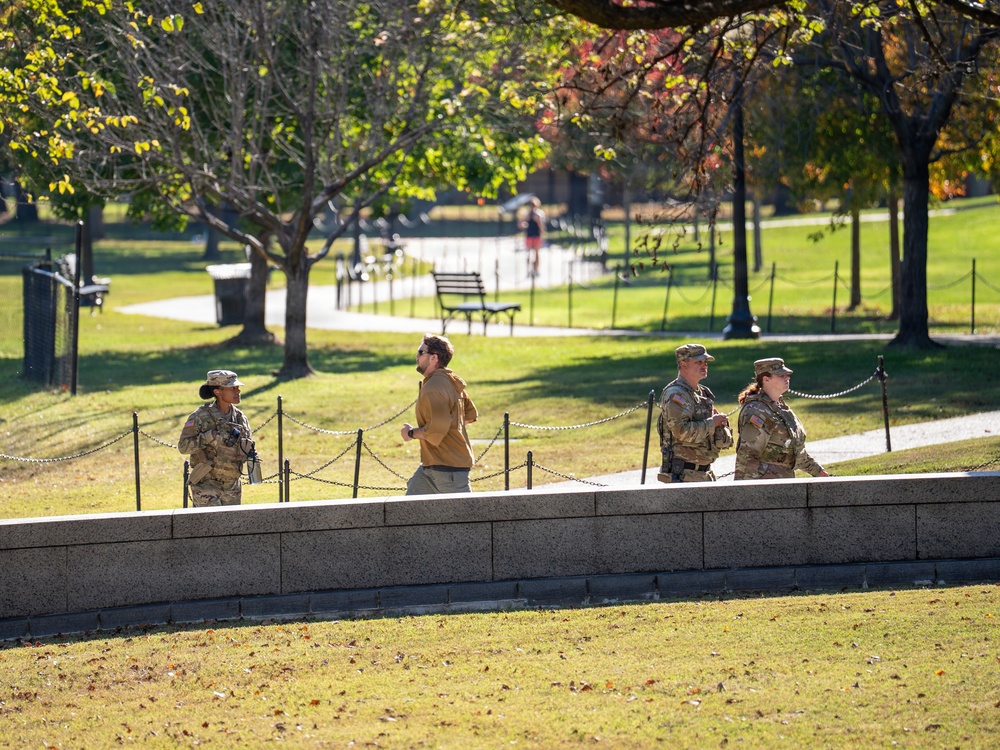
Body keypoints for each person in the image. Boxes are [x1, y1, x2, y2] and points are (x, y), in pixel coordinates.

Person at [401, 334, 478, 495]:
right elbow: (470, 415)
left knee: (466, 517)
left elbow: (436, 431)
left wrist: (410, 433)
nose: (417, 356)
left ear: (433, 358)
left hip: (448, 469)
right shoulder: (451, 381)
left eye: (421, 352)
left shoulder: (433, 387)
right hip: (432, 466)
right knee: (406, 511)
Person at [734, 357, 830, 480]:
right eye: (781, 375)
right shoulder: (756, 411)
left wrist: (819, 472)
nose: (787, 378)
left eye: (787, 374)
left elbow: (795, 449)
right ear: (766, 379)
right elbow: (747, 456)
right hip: (764, 487)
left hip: (783, 484)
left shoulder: (780, 407)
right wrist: (745, 492)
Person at [178, 369, 258, 506]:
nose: (237, 391)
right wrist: (209, 437)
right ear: (218, 392)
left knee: (231, 527)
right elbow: (183, 446)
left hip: (232, 486)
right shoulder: (200, 416)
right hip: (206, 485)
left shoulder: (240, 418)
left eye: (237, 387)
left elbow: (247, 447)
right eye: (232, 388)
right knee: (211, 526)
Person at [657, 343, 733, 483]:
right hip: (681, 476)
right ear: (683, 364)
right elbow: (681, 432)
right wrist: (712, 422)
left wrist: (720, 426)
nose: (704, 365)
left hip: (703, 474)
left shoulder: (702, 393)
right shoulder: (675, 395)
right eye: (698, 362)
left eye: (705, 362)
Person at [520, 196, 546, 277]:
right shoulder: (526, 214)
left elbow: (542, 228)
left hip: (537, 236)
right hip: (529, 235)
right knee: (528, 253)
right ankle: (528, 270)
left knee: (537, 254)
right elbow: (520, 224)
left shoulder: (539, 214)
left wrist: (538, 221)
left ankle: (536, 269)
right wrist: (524, 223)